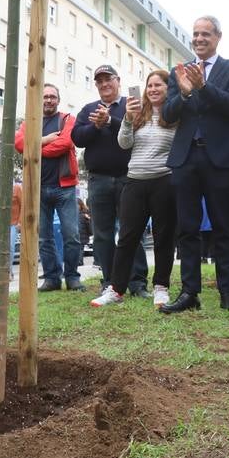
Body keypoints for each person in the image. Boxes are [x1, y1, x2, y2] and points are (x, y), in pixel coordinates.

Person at [159, 15, 229, 313]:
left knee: (224, 226)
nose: (198, 39)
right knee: (187, 228)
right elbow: (169, 115)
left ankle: (226, 293)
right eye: (195, 34)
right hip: (186, 158)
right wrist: (184, 90)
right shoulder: (178, 71)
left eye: (205, 34)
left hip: (219, 157)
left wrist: (204, 86)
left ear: (218, 37)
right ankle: (189, 293)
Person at [92, 70, 178, 307]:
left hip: (164, 180)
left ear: (168, 88)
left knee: (163, 237)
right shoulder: (138, 114)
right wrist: (128, 119)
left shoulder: (175, 117)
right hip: (134, 181)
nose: (153, 89)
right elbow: (124, 143)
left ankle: (161, 287)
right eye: (149, 85)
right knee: (127, 237)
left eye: (158, 85)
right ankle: (116, 290)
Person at [74, 65, 149, 298]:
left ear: (118, 80)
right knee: (103, 233)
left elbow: (141, 131)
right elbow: (77, 138)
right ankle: (110, 282)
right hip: (98, 179)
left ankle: (137, 283)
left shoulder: (132, 103)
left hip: (130, 176)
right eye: (100, 81)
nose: (104, 84)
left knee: (132, 230)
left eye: (108, 80)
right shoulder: (88, 109)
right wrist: (95, 126)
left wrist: (110, 122)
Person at [14, 84, 82, 291]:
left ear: (58, 100)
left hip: (65, 187)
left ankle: (72, 277)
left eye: (52, 97)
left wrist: (34, 148)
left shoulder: (68, 119)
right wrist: (43, 140)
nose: (48, 100)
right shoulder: (30, 122)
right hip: (37, 187)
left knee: (72, 235)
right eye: (45, 97)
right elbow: (19, 144)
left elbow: (65, 143)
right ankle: (52, 278)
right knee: (44, 237)